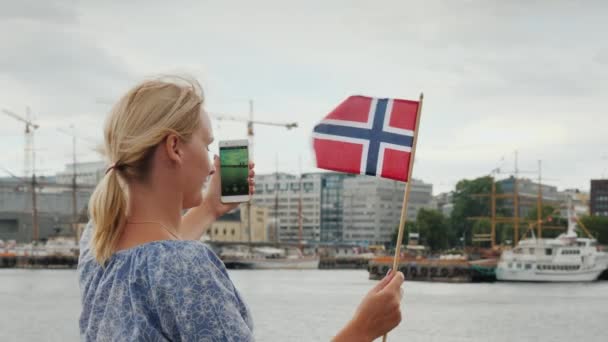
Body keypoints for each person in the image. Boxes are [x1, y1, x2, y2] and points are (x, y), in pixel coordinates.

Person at [78, 76, 404, 341]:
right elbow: (169, 264)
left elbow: (155, 261)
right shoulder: (188, 267)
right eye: (206, 145)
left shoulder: (97, 246)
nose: (210, 164)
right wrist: (362, 329)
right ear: (174, 147)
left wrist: (209, 208)